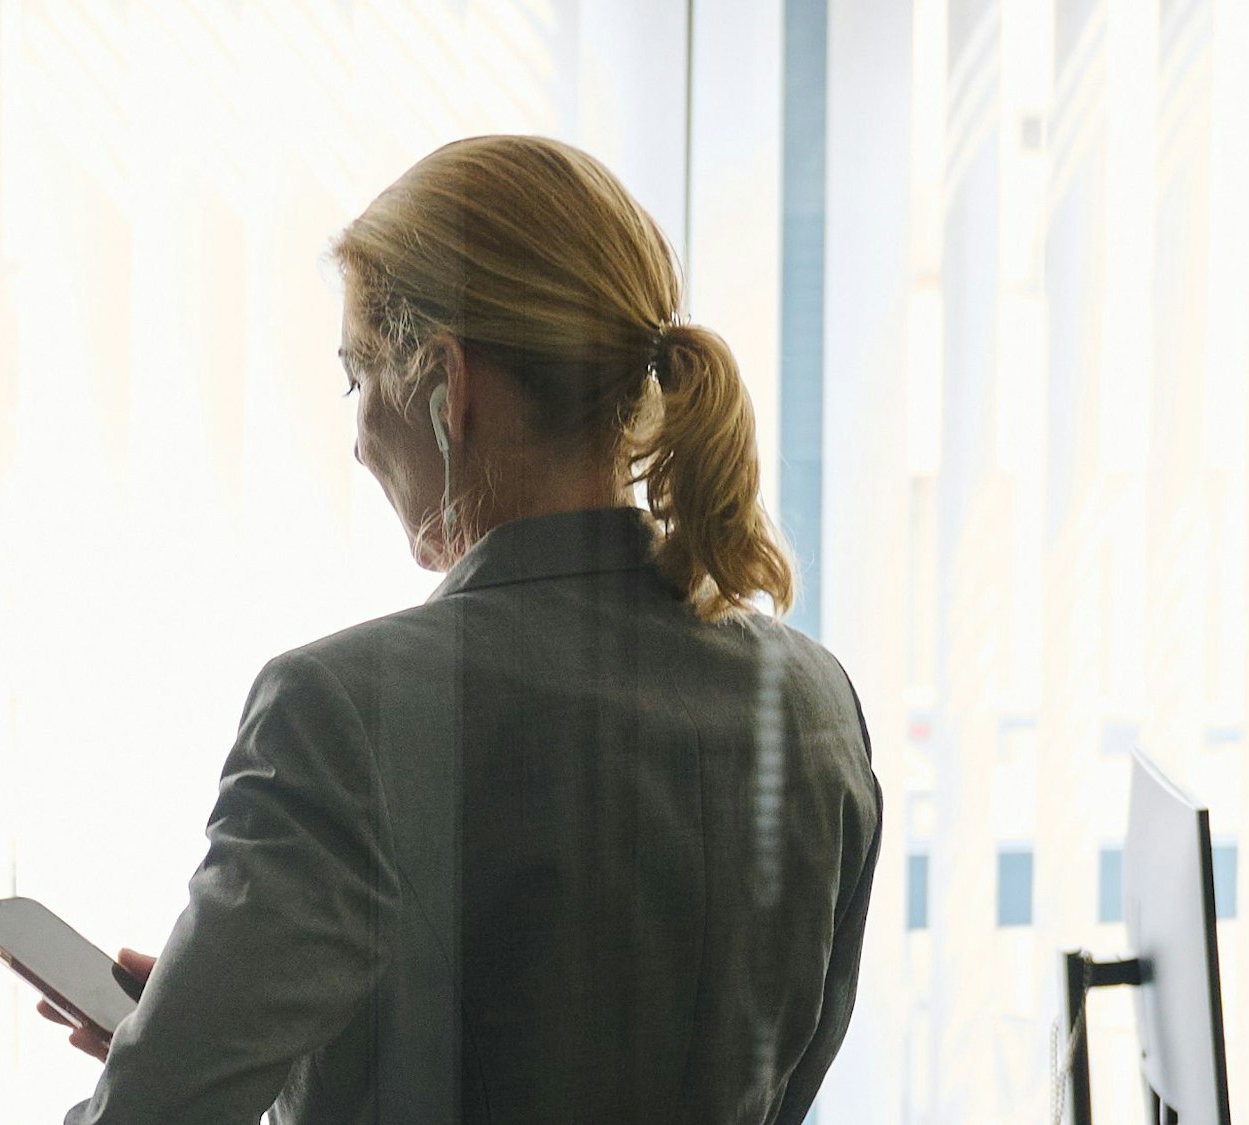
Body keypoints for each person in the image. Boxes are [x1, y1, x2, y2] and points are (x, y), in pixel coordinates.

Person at [48, 134, 883, 1124]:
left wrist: (186, 1070)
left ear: (448, 386)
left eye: (356, 380)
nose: (356, 441)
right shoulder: (813, 701)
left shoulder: (338, 713)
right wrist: (241, 1029)